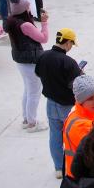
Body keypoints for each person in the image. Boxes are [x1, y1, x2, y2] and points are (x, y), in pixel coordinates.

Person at [35, 28, 81, 178]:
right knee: (72, 136)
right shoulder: (68, 62)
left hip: (51, 102)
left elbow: (37, 73)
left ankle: (58, 168)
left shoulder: (43, 56)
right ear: (67, 43)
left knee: (55, 136)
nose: (71, 47)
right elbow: (77, 84)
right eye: (71, 44)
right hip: (67, 106)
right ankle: (73, 166)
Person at [5, 0, 48, 132]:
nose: (30, 9)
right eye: (28, 7)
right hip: (30, 61)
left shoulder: (10, 21)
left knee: (28, 91)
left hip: (21, 60)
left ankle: (26, 119)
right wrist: (45, 22)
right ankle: (32, 123)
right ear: (24, 10)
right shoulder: (25, 25)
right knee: (34, 93)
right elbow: (43, 38)